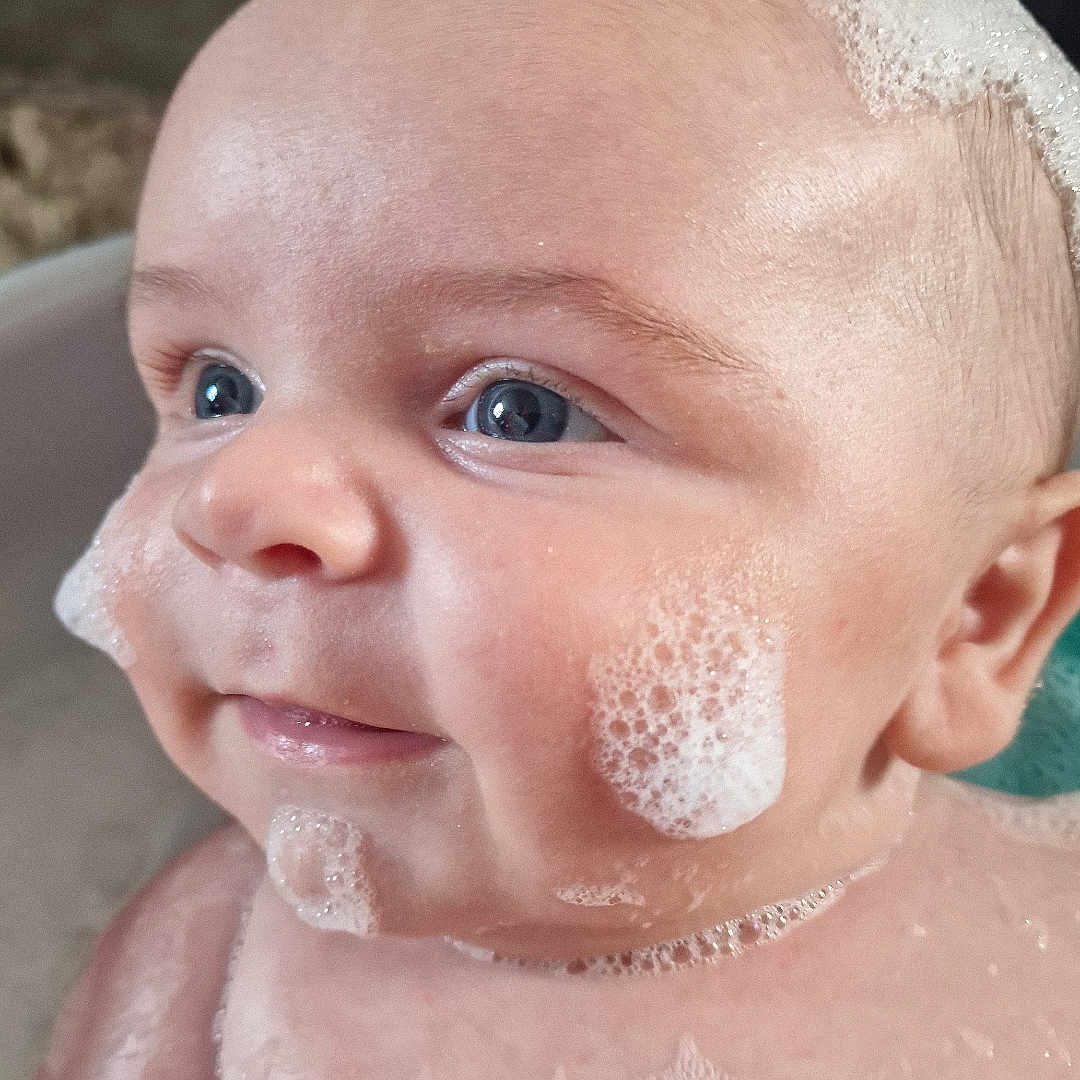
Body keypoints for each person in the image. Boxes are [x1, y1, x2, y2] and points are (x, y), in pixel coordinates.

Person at [38, 0, 1080, 1075]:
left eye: (519, 411)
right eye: (220, 387)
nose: (239, 498)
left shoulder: (1050, 958)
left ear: (976, 618)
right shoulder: (198, 970)